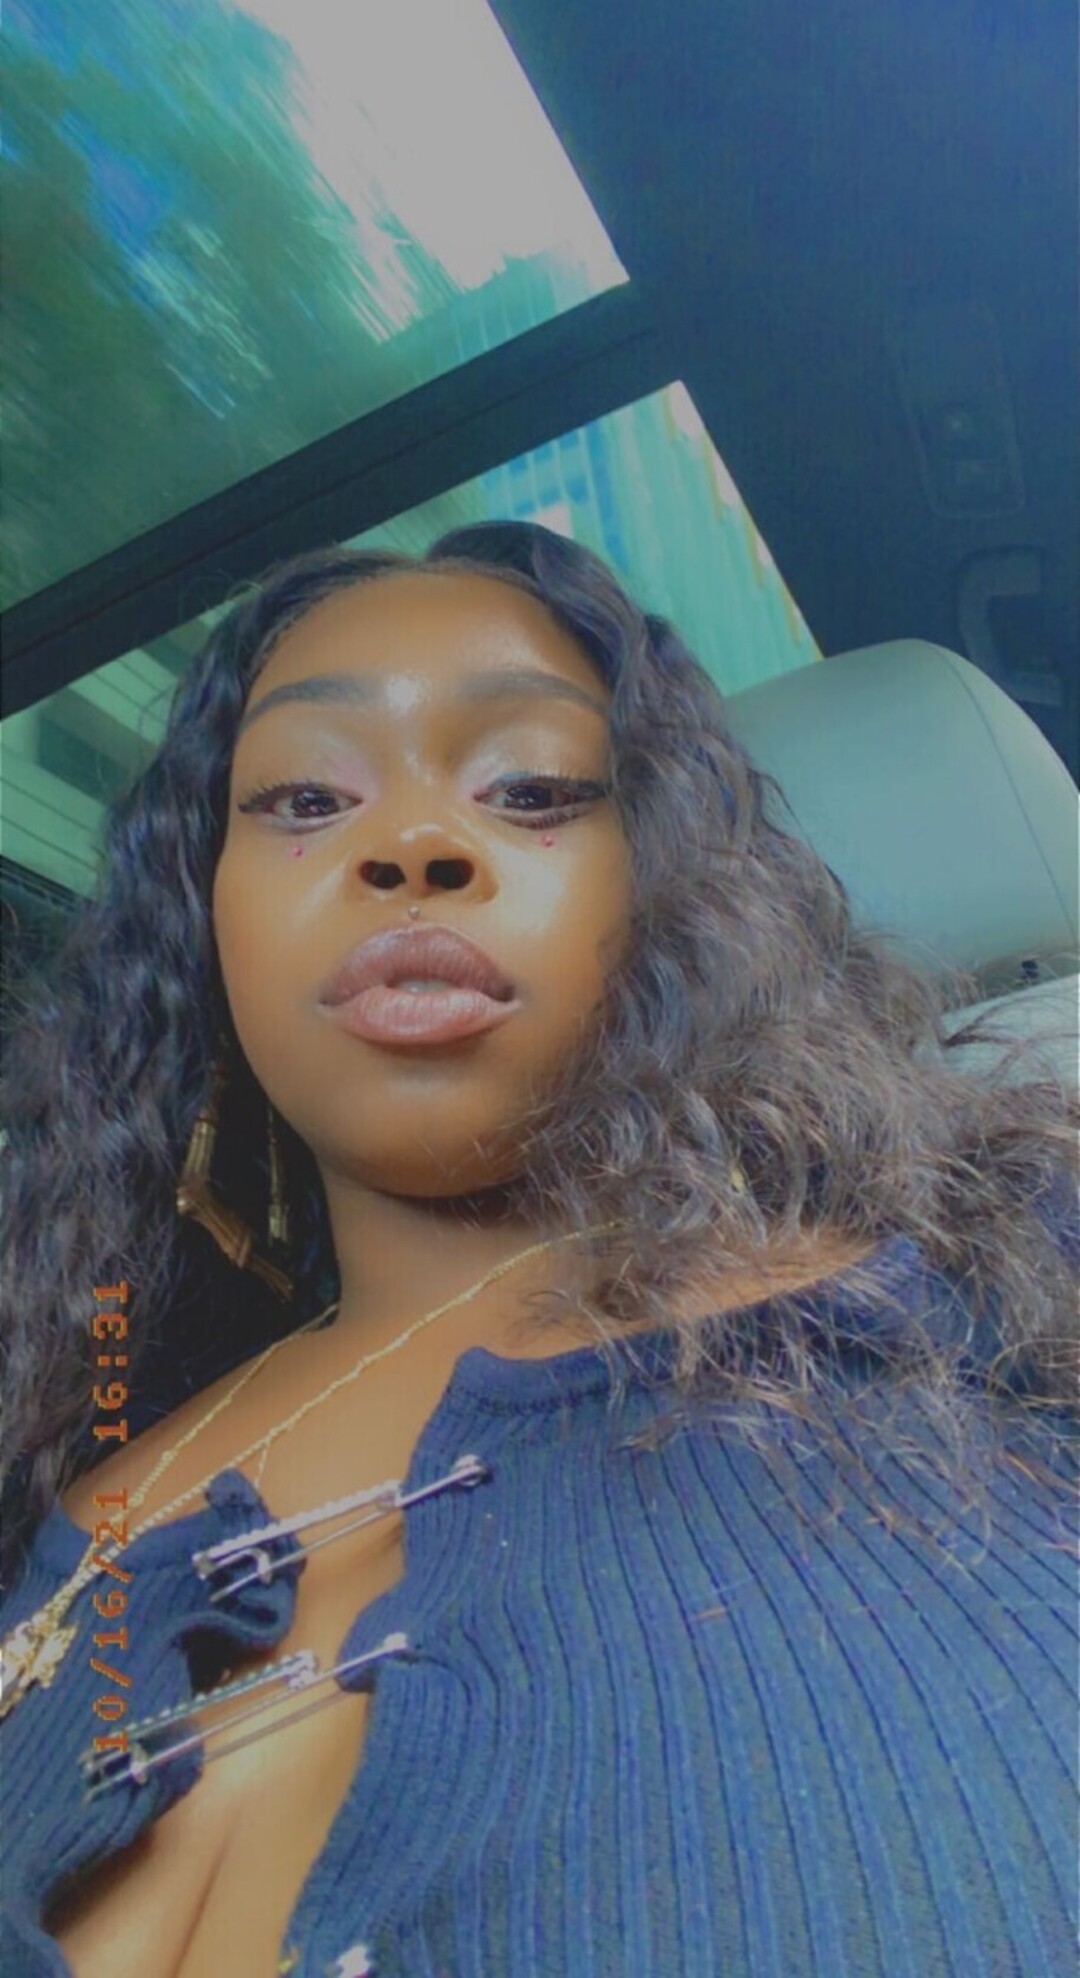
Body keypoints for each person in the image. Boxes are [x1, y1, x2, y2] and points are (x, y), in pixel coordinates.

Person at [0, 521, 1076, 1978]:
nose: (410, 846)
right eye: (306, 798)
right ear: (207, 916)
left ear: (670, 880)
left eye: (531, 789)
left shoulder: (1005, 1273)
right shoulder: (72, 1470)